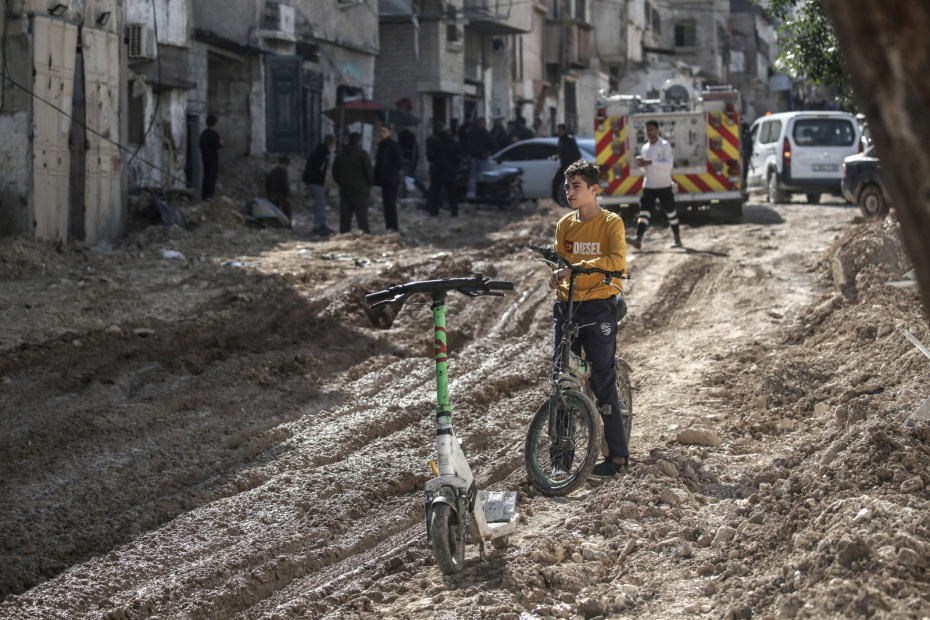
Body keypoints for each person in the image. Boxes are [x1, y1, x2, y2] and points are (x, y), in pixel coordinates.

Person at [548, 159, 630, 478]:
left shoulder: (611, 223)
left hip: (600, 306)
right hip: (567, 307)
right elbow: (561, 262)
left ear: (594, 189)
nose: (569, 192)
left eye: (576, 186)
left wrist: (574, 268)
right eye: (567, 186)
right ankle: (561, 460)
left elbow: (616, 261)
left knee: (602, 379)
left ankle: (618, 458)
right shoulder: (565, 224)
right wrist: (558, 277)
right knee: (562, 379)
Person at [629, 120, 682, 249]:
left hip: (664, 185)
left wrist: (651, 162)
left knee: (671, 212)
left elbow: (668, 165)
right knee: (644, 213)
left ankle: (677, 238)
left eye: (651, 129)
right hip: (649, 186)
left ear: (657, 130)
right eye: (647, 130)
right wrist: (642, 165)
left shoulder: (664, 145)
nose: (649, 132)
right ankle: (639, 238)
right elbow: (645, 169)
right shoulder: (645, 148)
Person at [332, 131, 373, 234]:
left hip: (345, 191)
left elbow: (335, 172)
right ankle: (366, 239)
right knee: (362, 219)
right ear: (359, 141)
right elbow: (369, 172)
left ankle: (344, 239)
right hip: (360, 191)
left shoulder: (341, 155)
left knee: (345, 220)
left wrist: (342, 183)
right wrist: (368, 185)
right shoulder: (362, 154)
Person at [303, 134, 336, 236]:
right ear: (331, 143)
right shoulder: (324, 153)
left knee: (320, 202)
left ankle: (321, 224)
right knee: (320, 203)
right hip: (314, 181)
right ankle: (318, 226)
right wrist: (320, 180)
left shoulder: (319, 150)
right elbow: (320, 168)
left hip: (311, 179)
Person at [425, 121, 460, 217]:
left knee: (436, 192)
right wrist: (455, 166)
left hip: (438, 170)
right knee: (452, 193)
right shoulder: (453, 143)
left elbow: (429, 154)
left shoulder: (435, 142)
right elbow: (459, 157)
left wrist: (433, 162)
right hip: (450, 170)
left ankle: (434, 211)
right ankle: (454, 211)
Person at [374, 124, 403, 232]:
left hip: (392, 180)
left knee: (391, 204)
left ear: (389, 133)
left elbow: (399, 162)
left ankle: (393, 227)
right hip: (384, 180)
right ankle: (389, 226)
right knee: (386, 204)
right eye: (380, 131)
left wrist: (390, 173)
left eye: (384, 131)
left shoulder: (393, 146)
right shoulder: (381, 146)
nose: (382, 133)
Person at [551, 123, 582, 206]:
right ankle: (556, 201)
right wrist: (557, 156)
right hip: (564, 164)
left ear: (564, 130)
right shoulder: (561, 139)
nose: (559, 132)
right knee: (556, 182)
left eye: (560, 130)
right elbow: (563, 152)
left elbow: (576, 154)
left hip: (569, 165)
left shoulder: (569, 139)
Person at [466, 118, 494, 199]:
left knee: (472, 177)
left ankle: (471, 194)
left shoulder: (472, 132)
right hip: (483, 157)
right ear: (482, 123)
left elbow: (467, 143)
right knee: (485, 176)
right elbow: (491, 142)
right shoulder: (485, 132)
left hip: (473, 157)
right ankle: (484, 193)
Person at [397, 125, 427, 196]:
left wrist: (407, 158)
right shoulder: (402, 134)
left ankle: (423, 190)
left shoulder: (407, 135)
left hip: (411, 159)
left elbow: (410, 149)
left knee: (410, 175)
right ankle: (406, 192)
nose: (396, 128)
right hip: (408, 159)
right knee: (408, 176)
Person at [199, 115, 223, 200]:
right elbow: (218, 149)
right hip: (213, 159)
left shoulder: (203, 134)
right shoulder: (215, 135)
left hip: (205, 159)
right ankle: (209, 196)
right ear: (215, 124)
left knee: (206, 176)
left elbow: (201, 146)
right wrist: (221, 144)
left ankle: (204, 195)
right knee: (212, 177)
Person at [265, 155, 292, 228]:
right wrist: (287, 194)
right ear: (284, 164)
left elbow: (267, 184)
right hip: (281, 195)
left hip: (272, 194)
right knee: (286, 211)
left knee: (274, 211)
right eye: (287, 165)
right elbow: (285, 183)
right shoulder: (283, 172)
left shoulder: (272, 171)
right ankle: (288, 226)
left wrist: (268, 195)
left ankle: (274, 226)